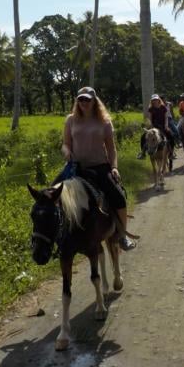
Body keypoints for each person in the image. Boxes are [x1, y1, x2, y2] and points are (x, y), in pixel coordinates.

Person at [59, 86, 135, 251]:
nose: (83, 102)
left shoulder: (104, 122)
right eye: (81, 99)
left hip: (99, 167)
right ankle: (55, 238)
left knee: (119, 197)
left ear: (94, 101)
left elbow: (111, 149)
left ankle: (122, 235)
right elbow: (65, 144)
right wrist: (67, 152)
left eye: (87, 99)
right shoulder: (70, 120)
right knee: (49, 195)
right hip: (76, 168)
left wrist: (114, 167)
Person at [137, 94, 175, 159]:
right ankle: (143, 153)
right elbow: (150, 118)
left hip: (163, 125)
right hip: (154, 126)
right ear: (152, 101)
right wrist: (151, 126)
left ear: (158, 100)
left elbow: (166, 117)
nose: (155, 101)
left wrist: (166, 126)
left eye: (156, 99)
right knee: (143, 136)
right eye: (153, 100)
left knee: (171, 135)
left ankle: (171, 153)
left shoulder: (163, 107)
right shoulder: (151, 108)